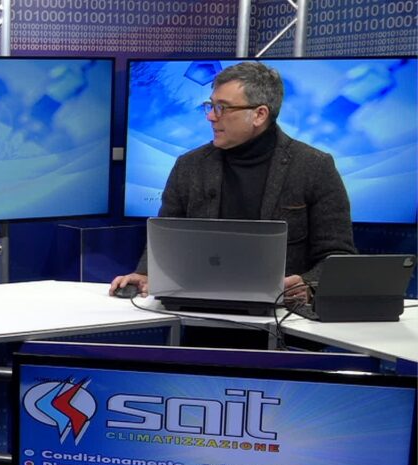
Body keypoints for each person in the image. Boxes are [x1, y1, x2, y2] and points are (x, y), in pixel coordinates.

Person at [110, 61, 356, 300]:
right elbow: (165, 242)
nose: (210, 116)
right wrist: (145, 274)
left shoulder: (314, 166)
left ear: (259, 115)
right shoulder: (189, 166)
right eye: (210, 105)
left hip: (282, 314)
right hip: (197, 307)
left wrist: (309, 285)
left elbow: (338, 255)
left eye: (222, 108)